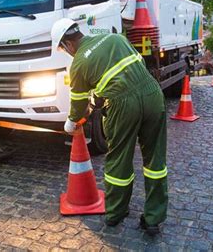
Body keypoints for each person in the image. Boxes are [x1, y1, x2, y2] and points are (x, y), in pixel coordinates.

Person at [51, 18, 168, 235]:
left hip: (123, 105)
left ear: (67, 44)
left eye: (63, 49)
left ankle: (115, 213)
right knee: (155, 160)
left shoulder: (78, 64)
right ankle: (154, 218)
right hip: (153, 94)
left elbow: (78, 106)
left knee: (119, 160)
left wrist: (70, 123)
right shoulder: (115, 38)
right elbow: (136, 66)